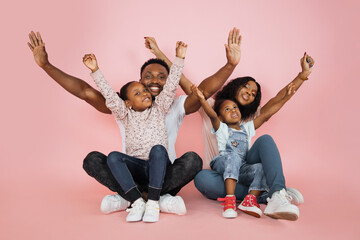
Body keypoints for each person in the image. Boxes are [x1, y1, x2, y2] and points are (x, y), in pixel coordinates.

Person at [27, 28, 242, 215]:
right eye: (149, 76)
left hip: (165, 177)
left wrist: (230, 65)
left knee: (193, 160)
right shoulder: (124, 106)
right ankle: (147, 199)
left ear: (169, 82)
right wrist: (46, 65)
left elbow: (203, 91)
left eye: (162, 77)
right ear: (139, 83)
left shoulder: (174, 105)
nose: (155, 80)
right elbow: (86, 92)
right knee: (93, 159)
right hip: (130, 174)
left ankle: (134, 199)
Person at [194, 52, 315, 221]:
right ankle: (264, 194)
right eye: (246, 87)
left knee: (265, 140)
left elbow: (275, 102)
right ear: (235, 86)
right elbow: (200, 91)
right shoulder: (213, 108)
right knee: (202, 179)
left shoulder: (248, 121)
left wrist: (301, 77)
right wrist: (230, 64)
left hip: (246, 168)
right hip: (219, 170)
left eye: (253, 93)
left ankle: (277, 193)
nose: (249, 93)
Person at [82, 41, 187, 222]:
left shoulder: (160, 107)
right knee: (114, 156)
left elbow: (170, 86)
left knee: (159, 150)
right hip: (136, 169)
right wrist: (95, 71)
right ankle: (137, 201)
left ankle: (153, 202)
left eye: (144, 91)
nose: (145, 93)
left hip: (159, 167)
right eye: (137, 93)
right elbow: (109, 94)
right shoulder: (124, 114)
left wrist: (179, 59)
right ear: (128, 103)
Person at [192, 85, 268, 218]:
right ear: (221, 117)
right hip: (224, 162)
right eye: (227, 109)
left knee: (260, 167)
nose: (233, 110)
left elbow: (266, 114)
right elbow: (212, 115)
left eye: (235, 107)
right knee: (233, 157)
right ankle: (230, 200)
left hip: (241, 168)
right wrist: (202, 99)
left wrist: (287, 96)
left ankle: (250, 199)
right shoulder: (222, 128)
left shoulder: (247, 128)